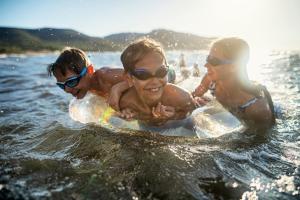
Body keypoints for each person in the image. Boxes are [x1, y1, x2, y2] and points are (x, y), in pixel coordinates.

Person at [192, 37, 275, 128]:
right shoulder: (210, 79)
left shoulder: (257, 109)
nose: (206, 65)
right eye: (208, 58)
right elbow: (194, 96)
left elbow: (260, 139)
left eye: (214, 61)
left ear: (234, 66)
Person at [118, 38, 196, 126]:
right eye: (143, 74)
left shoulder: (182, 98)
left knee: (181, 77)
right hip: (164, 72)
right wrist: (122, 114)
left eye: (161, 71)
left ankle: (184, 72)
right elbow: (107, 113)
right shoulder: (126, 102)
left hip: (170, 74)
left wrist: (175, 116)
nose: (154, 81)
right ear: (129, 78)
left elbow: (197, 117)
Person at [47, 47, 129, 107]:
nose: (67, 90)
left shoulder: (105, 76)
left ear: (89, 70)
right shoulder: (88, 87)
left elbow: (137, 77)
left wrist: (117, 88)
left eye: (71, 81)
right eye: (61, 85)